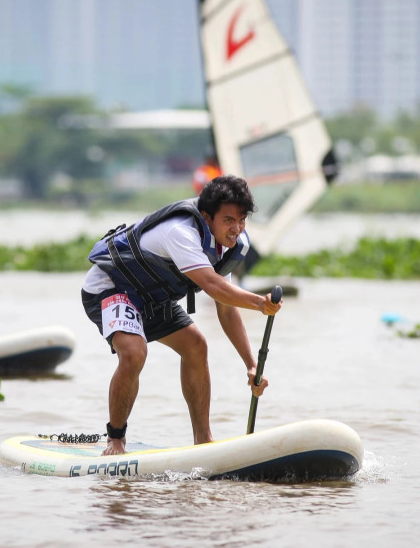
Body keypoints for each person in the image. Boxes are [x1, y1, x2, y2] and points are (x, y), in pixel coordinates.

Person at [81, 175, 282, 455]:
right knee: (134, 352)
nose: (236, 228)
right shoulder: (180, 232)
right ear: (206, 216)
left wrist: (251, 365)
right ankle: (115, 440)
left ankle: (203, 442)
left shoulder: (233, 245)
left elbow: (225, 307)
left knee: (196, 346)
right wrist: (260, 303)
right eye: (228, 220)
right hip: (111, 287)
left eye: (241, 219)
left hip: (153, 297)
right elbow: (214, 287)